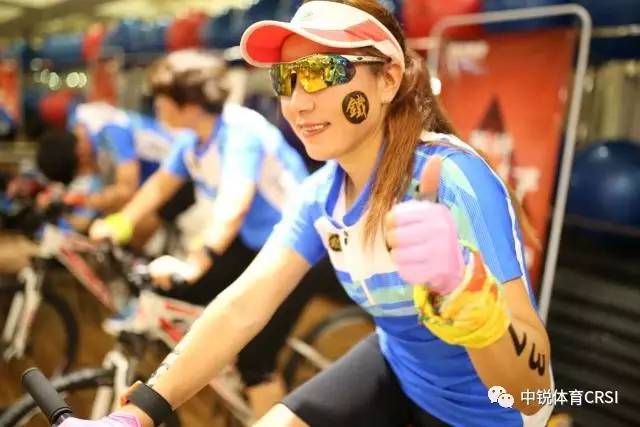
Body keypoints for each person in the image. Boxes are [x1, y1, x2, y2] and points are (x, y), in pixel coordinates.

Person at [64, 1, 554, 426]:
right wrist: (138, 411)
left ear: (387, 78)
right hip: (400, 363)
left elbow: (531, 392)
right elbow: (241, 306)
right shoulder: (320, 193)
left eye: (322, 72)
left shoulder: (452, 178)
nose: (297, 103)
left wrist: (465, 291)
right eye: (286, 79)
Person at [88, 49, 312, 416]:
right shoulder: (191, 138)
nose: (156, 104)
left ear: (190, 104)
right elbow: (160, 186)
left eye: (162, 98)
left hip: (300, 246)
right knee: (183, 297)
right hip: (253, 241)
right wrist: (121, 224)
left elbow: (234, 205)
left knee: (255, 358)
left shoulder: (241, 131)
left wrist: (197, 261)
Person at [36, 102, 191, 244]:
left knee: (126, 226)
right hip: (159, 180)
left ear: (81, 154)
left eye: (81, 172)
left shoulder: (110, 130)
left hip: (186, 175)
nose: (87, 175)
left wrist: (84, 200)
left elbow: (126, 191)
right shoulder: (82, 127)